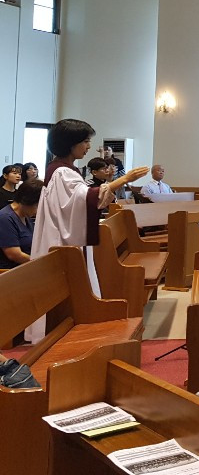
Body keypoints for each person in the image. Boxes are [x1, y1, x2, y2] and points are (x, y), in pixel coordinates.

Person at [28, 119, 148, 342]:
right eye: (85, 141)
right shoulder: (62, 172)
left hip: (64, 234)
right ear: (70, 143)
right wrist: (125, 179)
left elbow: (83, 199)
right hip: (61, 240)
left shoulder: (63, 169)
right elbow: (84, 199)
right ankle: (68, 332)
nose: (88, 146)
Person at [0, 179, 42, 268]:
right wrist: (40, 263)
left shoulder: (26, 216)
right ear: (26, 201)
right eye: (36, 206)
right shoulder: (5, 218)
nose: (37, 211)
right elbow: (14, 254)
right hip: (11, 271)